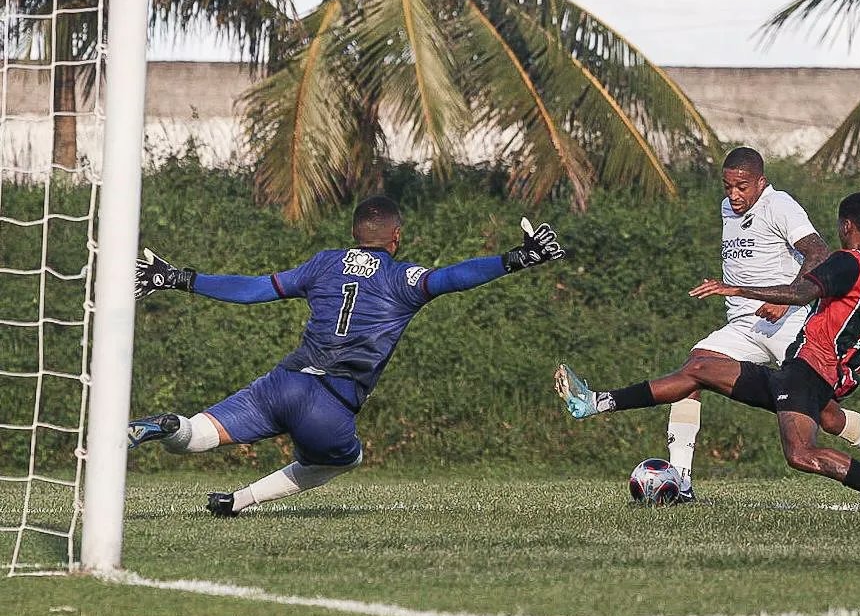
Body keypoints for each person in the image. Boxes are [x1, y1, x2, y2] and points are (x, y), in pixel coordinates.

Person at [127, 195, 564, 517]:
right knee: (343, 459)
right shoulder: (403, 278)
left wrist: (180, 277)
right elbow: (453, 277)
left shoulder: (324, 264)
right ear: (396, 236)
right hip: (330, 403)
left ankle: (171, 427)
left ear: (354, 234)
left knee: (196, 436)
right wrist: (519, 258)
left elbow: (254, 289)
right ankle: (243, 500)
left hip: (284, 383)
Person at [568, 145, 860, 503]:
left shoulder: (779, 204)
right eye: (728, 187)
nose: (734, 195)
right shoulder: (727, 209)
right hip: (743, 325)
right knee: (697, 366)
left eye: (743, 187)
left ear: (761, 182)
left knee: (827, 417)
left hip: (786, 322)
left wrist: (780, 304)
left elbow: (818, 252)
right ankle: (682, 482)